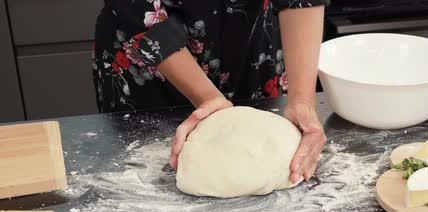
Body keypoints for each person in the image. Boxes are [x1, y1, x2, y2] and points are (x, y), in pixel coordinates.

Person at [93, 0, 328, 184]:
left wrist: (302, 101)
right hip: (151, 66)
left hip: (252, 49)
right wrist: (207, 97)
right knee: (145, 169)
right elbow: (136, 7)